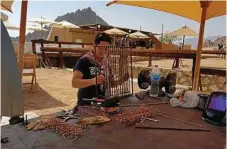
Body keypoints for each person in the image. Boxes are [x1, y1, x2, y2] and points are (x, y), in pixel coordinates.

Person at [71, 32, 129, 108]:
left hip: (102, 103)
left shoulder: (106, 62)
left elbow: (110, 84)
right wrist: (93, 81)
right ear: (94, 45)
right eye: (100, 47)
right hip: (86, 104)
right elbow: (74, 83)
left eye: (106, 48)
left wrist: (122, 80)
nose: (103, 51)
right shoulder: (84, 61)